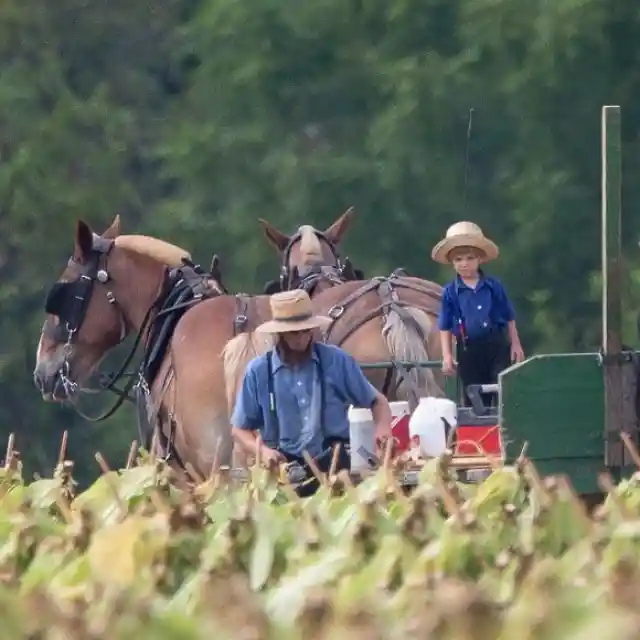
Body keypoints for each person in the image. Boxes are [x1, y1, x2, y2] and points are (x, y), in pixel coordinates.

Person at [230, 289, 393, 494]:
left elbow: (378, 402)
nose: (301, 338)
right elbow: (239, 429)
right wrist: (261, 451)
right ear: (280, 334)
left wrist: (382, 428)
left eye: (305, 331)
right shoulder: (258, 372)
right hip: (284, 472)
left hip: (336, 468)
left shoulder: (336, 360)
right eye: (293, 333)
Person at [431, 221, 525, 408]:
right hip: (468, 348)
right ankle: (477, 433)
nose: (464, 264)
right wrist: (447, 355)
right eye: (458, 260)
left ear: (480, 259)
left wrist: (515, 343)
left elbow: (508, 315)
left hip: (496, 345)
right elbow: (445, 325)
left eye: (469, 258)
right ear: (452, 263)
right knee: (473, 395)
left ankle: (502, 431)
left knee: (501, 391)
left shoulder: (493, 286)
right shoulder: (451, 292)